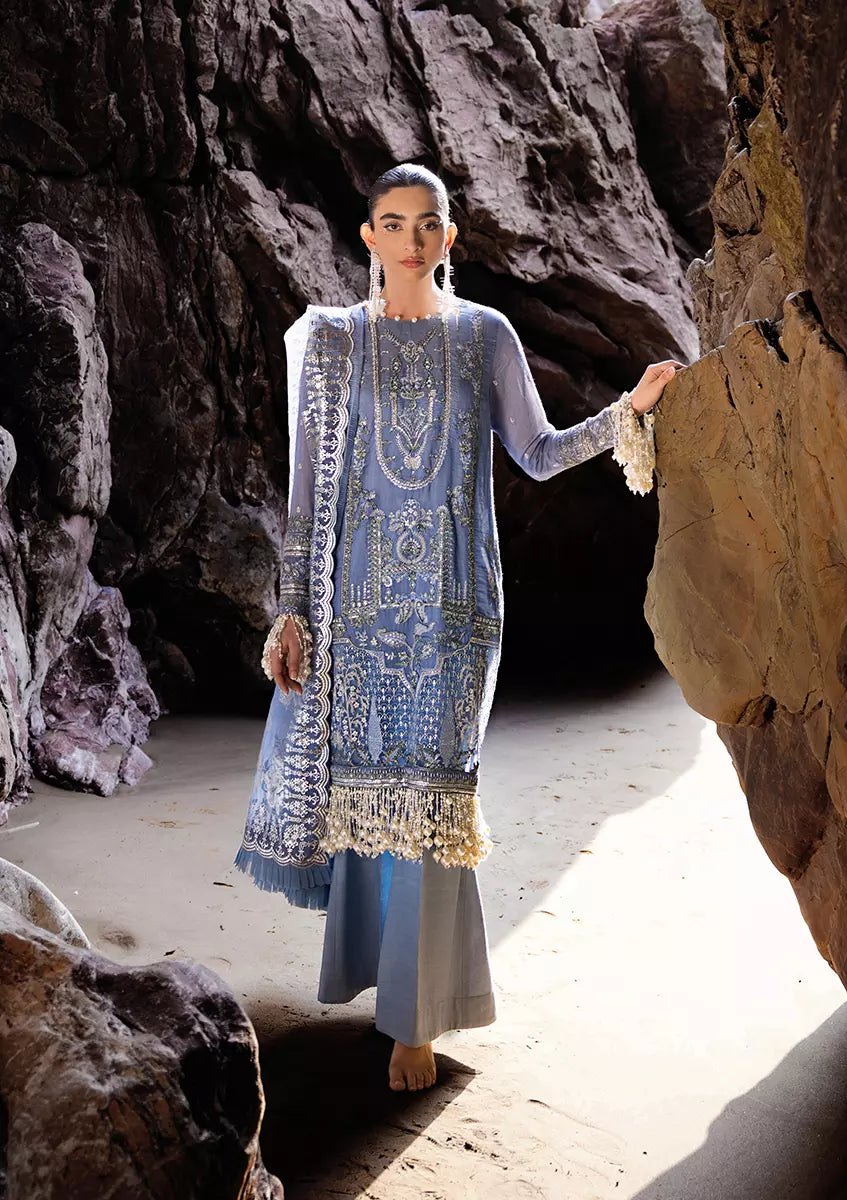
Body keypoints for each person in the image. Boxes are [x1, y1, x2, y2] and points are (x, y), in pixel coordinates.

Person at [234, 162, 684, 1092]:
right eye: (393, 223)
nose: (412, 240)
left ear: (450, 237)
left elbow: (538, 453)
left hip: (455, 612)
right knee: (368, 798)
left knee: (434, 801)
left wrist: (627, 413)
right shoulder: (334, 344)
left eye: (428, 223)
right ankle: (384, 985)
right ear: (369, 236)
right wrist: (292, 610)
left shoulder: (486, 336)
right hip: (355, 612)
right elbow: (306, 496)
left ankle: (417, 1023)